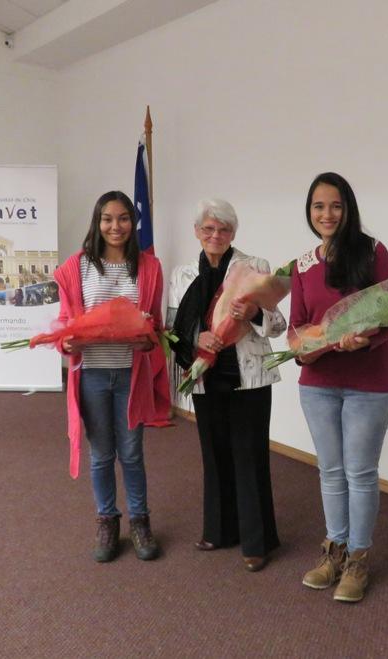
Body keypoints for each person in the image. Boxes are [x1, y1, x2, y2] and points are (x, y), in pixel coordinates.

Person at [291, 172, 388, 603]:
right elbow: (298, 328)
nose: (327, 214)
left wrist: (364, 339)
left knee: (360, 472)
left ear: (348, 208)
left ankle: (358, 558)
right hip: (317, 384)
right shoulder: (302, 264)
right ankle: (333, 551)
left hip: (368, 384)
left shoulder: (373, 252)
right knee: (330, 471)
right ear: (309, 212)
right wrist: (306, 350)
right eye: (319, 206)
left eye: (335, 205)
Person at [53, 190, 171, 563]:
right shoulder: (78, 266)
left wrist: (149, 340)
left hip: (129, 373)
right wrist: (65, 345)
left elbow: (155, 323)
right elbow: (64, 320)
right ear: (97, 222)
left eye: (123, 218)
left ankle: (140, 520)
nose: (115, 226)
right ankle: (107, 519)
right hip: (91, 374)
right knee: (102, 454)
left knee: (132, 453)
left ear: (132, 223)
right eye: (107, 218)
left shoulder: (149, 267)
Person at [171, 199, 286, 572]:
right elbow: (173, 329)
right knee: (215, 453)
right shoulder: (183, 274)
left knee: (250, 455)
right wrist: (195, 339)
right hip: (205, 374)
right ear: (197, 232)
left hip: (248, 377)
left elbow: (278, 324)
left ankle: (257, 540)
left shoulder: (255, 268)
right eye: (208, 229)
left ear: (233, 233)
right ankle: (219, 530)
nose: (215, 236)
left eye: (223, 229)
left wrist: (254, 313)